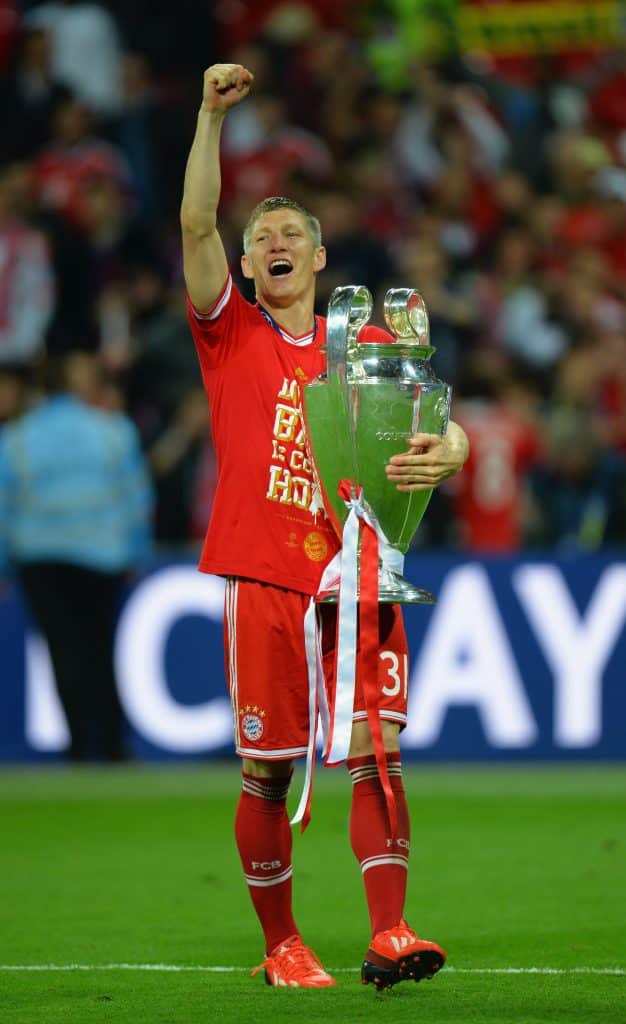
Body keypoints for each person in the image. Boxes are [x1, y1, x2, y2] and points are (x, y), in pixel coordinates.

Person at [180, 63, 469, 991]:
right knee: (267, 774)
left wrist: (451, 453)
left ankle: (391, 932)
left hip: (355, 578)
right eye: (259, 235)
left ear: (319, 258)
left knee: (377, 757)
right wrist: (208, 121)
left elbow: (445, 417)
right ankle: (282, 947)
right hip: (264, 579)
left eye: (290, 233)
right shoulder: (229, 331)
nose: (271, 242)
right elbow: (194, 225)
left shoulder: (367, 348)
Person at [0, 352, 153, 761]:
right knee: (101, 648)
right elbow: (137, 498)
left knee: (63, 650)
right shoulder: (113, 431)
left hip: (39, 556)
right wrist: (137, 550)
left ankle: (78, 747)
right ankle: (113, 746)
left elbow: (4, 505)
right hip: (103, 556)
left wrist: (3, 562)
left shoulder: (15, 438)